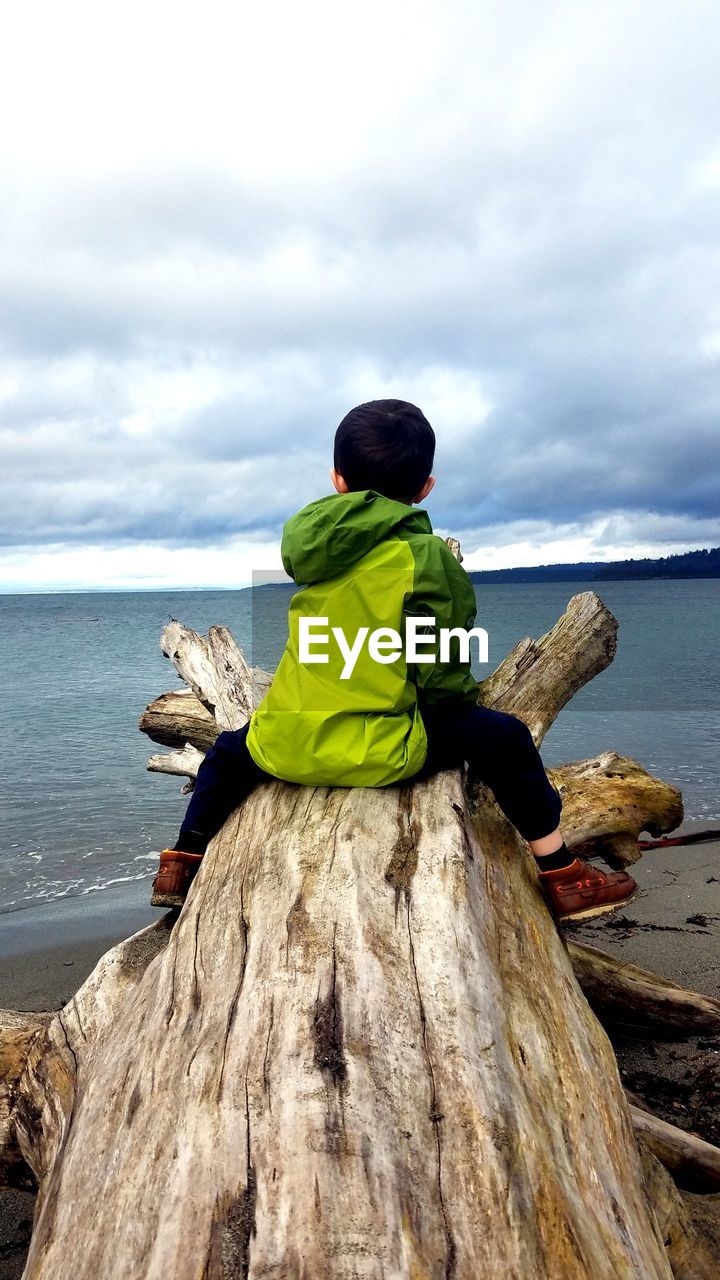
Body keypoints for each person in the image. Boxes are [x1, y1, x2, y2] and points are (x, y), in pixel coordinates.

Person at [151, 399, 637, 921]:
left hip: (286, 743)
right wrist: (457, 706)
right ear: (426, 486)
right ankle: (562, 874)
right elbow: (441, 661)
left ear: (337, 480)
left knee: (227, 750)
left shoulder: (311, 550)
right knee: (507, 739)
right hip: (379, 750)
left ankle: (182, 861)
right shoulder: (425, 557)